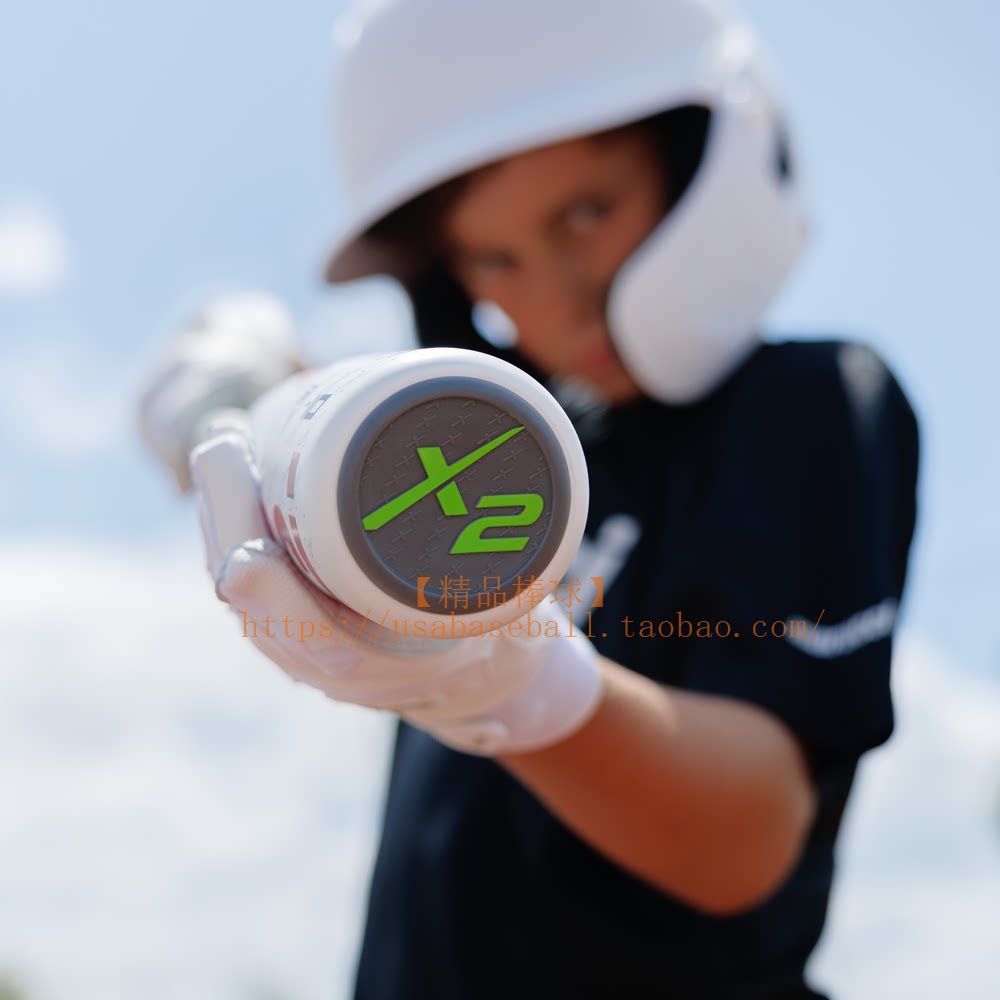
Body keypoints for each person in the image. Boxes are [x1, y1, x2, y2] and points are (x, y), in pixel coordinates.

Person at [138, 0, 920, 997]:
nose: (553, 302)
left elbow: (746, 841)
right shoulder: (508, 460)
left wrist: (505, 684)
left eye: (586, 214)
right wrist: (251, 407)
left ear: (698, 167)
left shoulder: (802, 407)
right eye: (491, 261)